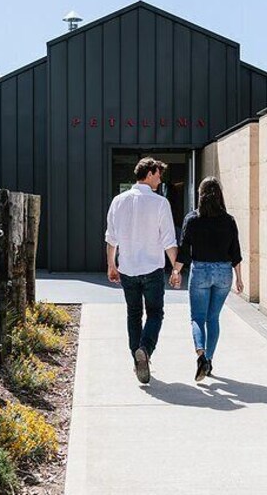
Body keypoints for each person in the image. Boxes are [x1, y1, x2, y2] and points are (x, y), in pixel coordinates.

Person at [105, 157, 179, 384]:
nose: (160, 178)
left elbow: (111, 237)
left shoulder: (118, 201)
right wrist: (176, 269)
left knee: (133, 314)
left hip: (127, 268)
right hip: (152, 269)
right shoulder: (160, 203)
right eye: (158, 174)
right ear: (150, 172)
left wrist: (111, 265)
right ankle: (145, 350)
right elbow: (169, 240)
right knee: (155, 313)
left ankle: (137, 360)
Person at [169, 177, 243, 381]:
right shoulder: (229, 220)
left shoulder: (192, 219)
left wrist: (176, 272)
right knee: (213, 318)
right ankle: (208, 361)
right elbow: (235, 252)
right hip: (224, 273)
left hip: (200, 270)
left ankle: (201, 356)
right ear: (220, 195)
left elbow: (184, 251)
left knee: (197, 318)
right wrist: (239, 279)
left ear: (200, 195)